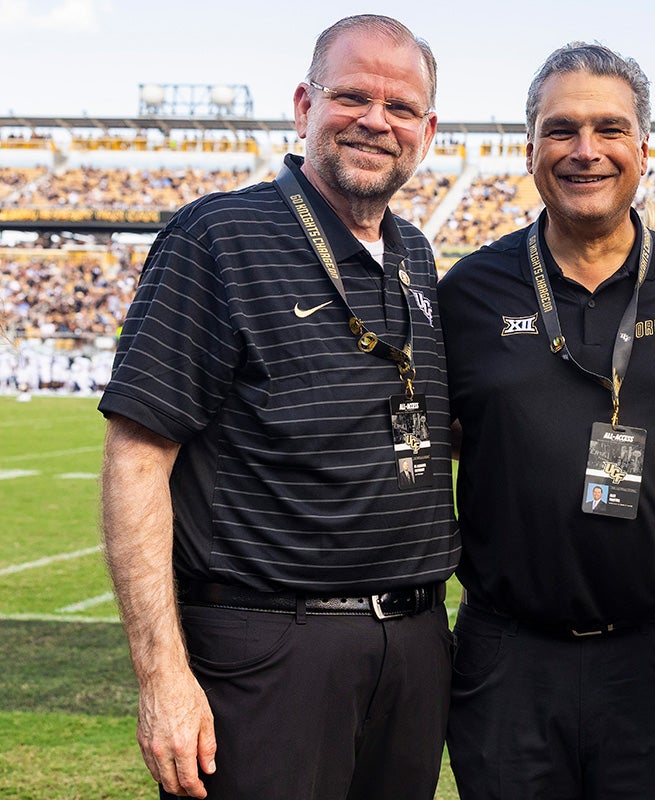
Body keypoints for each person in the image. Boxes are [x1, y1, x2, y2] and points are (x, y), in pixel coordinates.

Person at [98, 15, 457, 800]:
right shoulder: (218, 234)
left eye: (401, 108)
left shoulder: (416, 255)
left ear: (426, 130)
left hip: (413, 645)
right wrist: (162, 676)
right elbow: (136, 457)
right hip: (269, 648)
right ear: (304, 105)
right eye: (352, 95)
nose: (375, 121)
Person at [437, 42, 655, 799]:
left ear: (645, 150)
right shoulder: (469, 292)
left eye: (609, 129)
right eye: (560, 129)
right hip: (507, 655)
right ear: (530, 149)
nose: (586, 151)